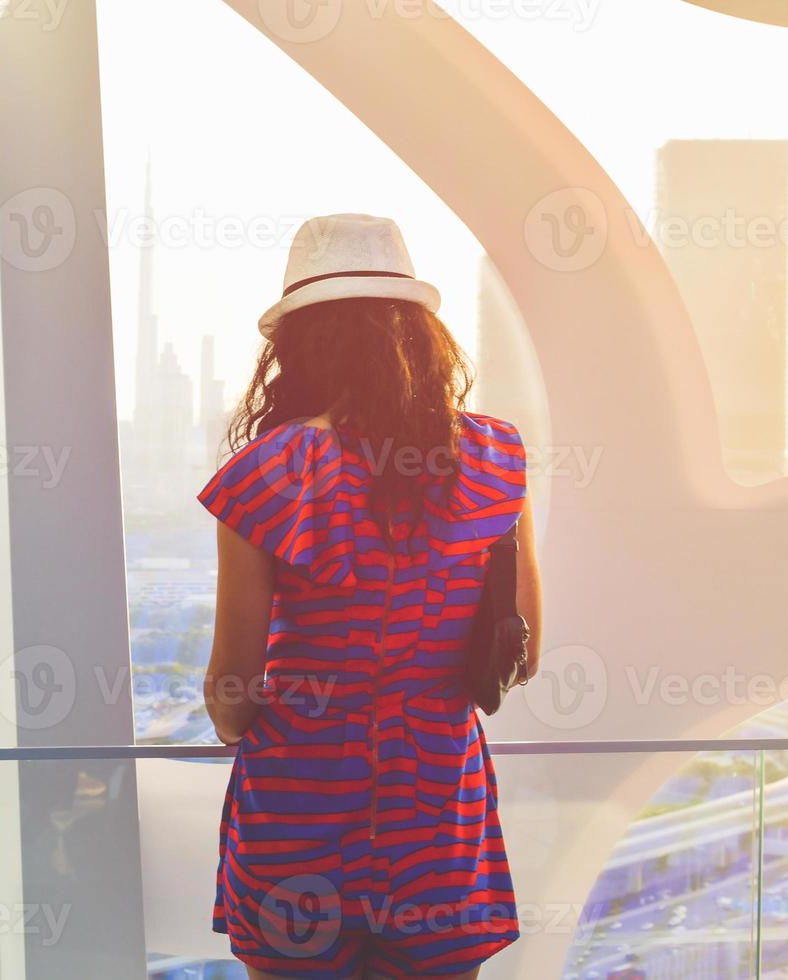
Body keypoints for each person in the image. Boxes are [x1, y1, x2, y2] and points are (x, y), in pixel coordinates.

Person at [200, 215, 544, 979]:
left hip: (295, 820)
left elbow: (232, 687)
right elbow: (522, 655)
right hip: (436, 819)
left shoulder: (268, 473)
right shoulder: (495, 458)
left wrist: (247, 722)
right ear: (425, 336)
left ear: (294, 348)